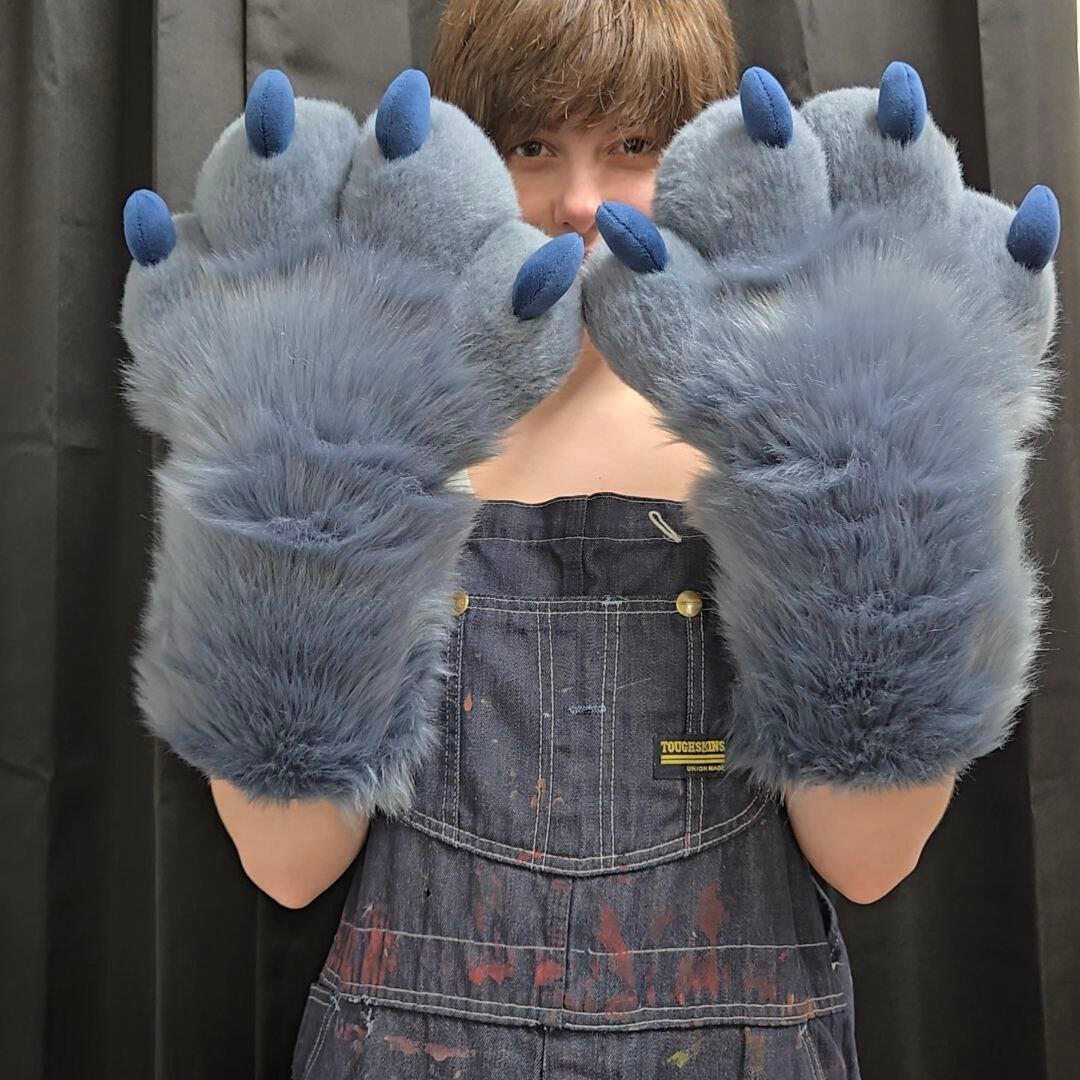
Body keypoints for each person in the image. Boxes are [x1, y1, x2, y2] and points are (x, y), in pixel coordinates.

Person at [118, 0, 1059, 1076]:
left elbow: (868, 860)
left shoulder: (786, 432)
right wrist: (300, 474)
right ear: (465, 156)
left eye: (635, 144)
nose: (578, 200)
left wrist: (874, 475)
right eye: (531, 146)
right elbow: (288, 865)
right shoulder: (383, 432)